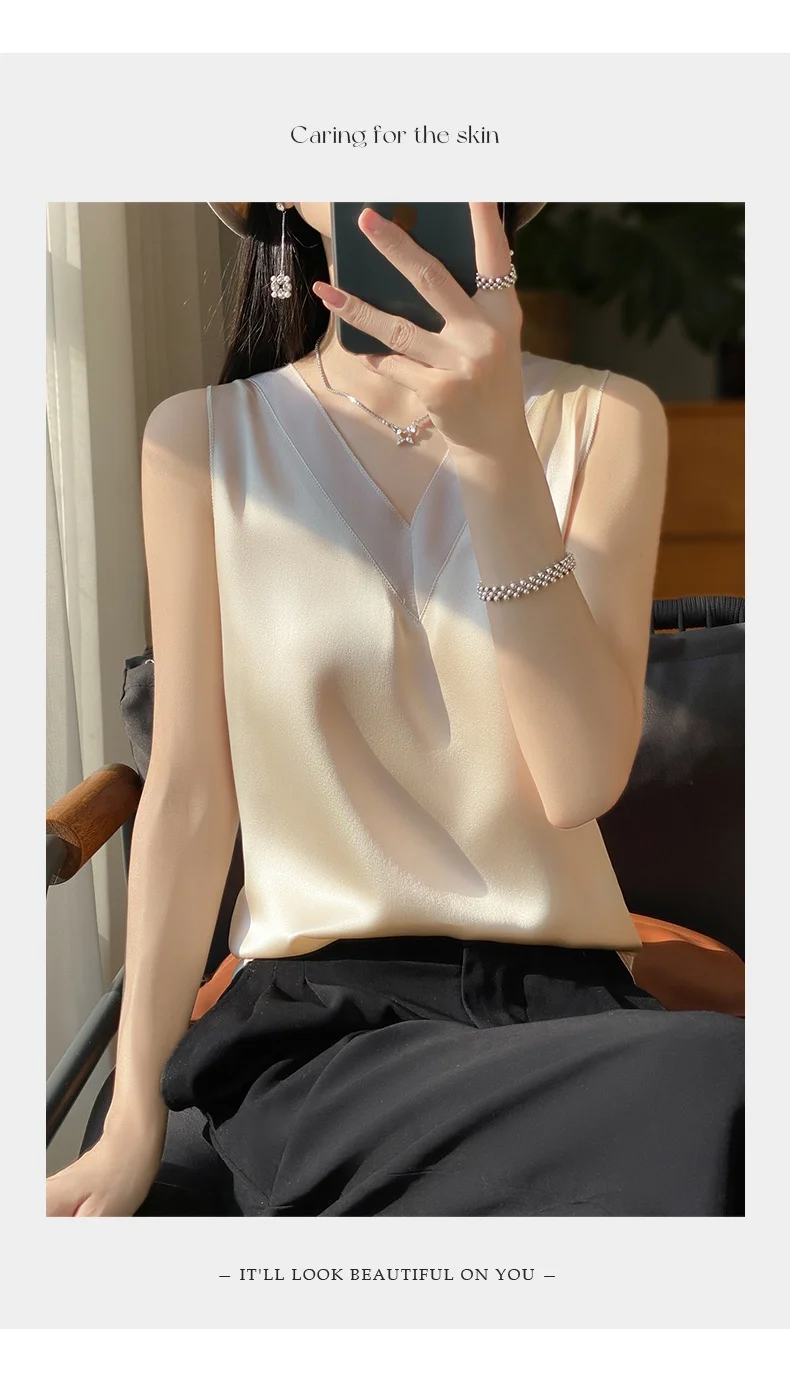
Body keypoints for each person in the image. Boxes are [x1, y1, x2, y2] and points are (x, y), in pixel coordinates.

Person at [46, 202, 744, 1218]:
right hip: (325, 1024)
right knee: (720, 1089)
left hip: (569, 1009)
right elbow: (189, 797)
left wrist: (496, 450)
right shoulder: (199, 438)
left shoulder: (608, 417)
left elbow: (579, 778)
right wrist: (130, 1120)